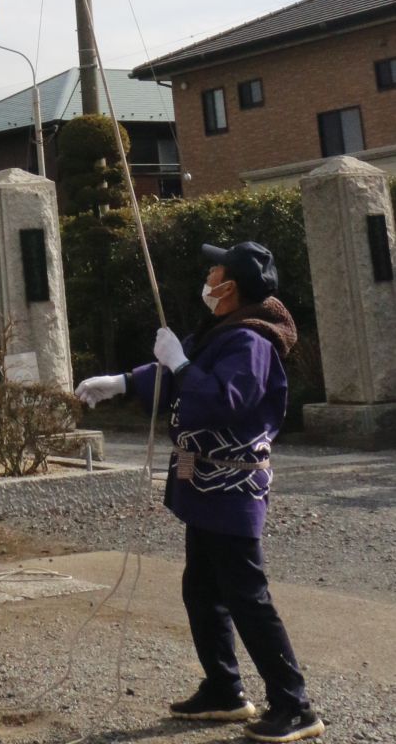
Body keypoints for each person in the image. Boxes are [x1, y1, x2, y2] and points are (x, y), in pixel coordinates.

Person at [77, 240, 322, 742]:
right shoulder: (224, 330)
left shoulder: (251, 341)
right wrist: (122, 381)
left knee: (247, 595)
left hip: (230, 487)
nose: (208, 274)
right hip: (208, 486)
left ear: (229, 286)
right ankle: (224, 690)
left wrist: (182, 365)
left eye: (216, 268)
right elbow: (176, 373)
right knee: (203, 588)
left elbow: (224, 399)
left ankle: (295, 705)